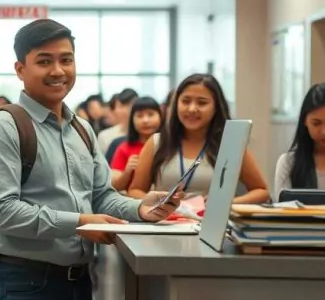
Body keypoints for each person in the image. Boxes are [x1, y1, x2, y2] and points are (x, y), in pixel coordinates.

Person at [0, 18, 180, 300]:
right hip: (24, 285)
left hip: (78, 285)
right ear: (20, 69)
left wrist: (144, 210)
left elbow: (101, 196)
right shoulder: (4, 127)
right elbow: (4, 213)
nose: (58, 70)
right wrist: (81, 223)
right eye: (44, 61)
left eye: (66, 60)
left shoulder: (82, 129)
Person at [126, 74, 269, 203]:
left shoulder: (230, 145)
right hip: (164, 224)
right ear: (176, 104)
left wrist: (225, 204)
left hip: (210, 226)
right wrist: (161, 202)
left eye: (202, 103)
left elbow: (261, 191)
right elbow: (135, 190)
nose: (192, 109)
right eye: (185, 101)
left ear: (216, 108)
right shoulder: (157, 142)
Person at [110, 96, 162, 192]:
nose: (145, 120)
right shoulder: (124, 148)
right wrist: (127, 172)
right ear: (132, 120)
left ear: (161, 116)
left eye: (150, 115)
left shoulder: (170, 145)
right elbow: (114, 187)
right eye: (139, 116)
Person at [97, 89, 138, 156]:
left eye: (130, 105)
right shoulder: (105, 136)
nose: (126, 110)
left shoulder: (145, 134)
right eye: (121, 106)